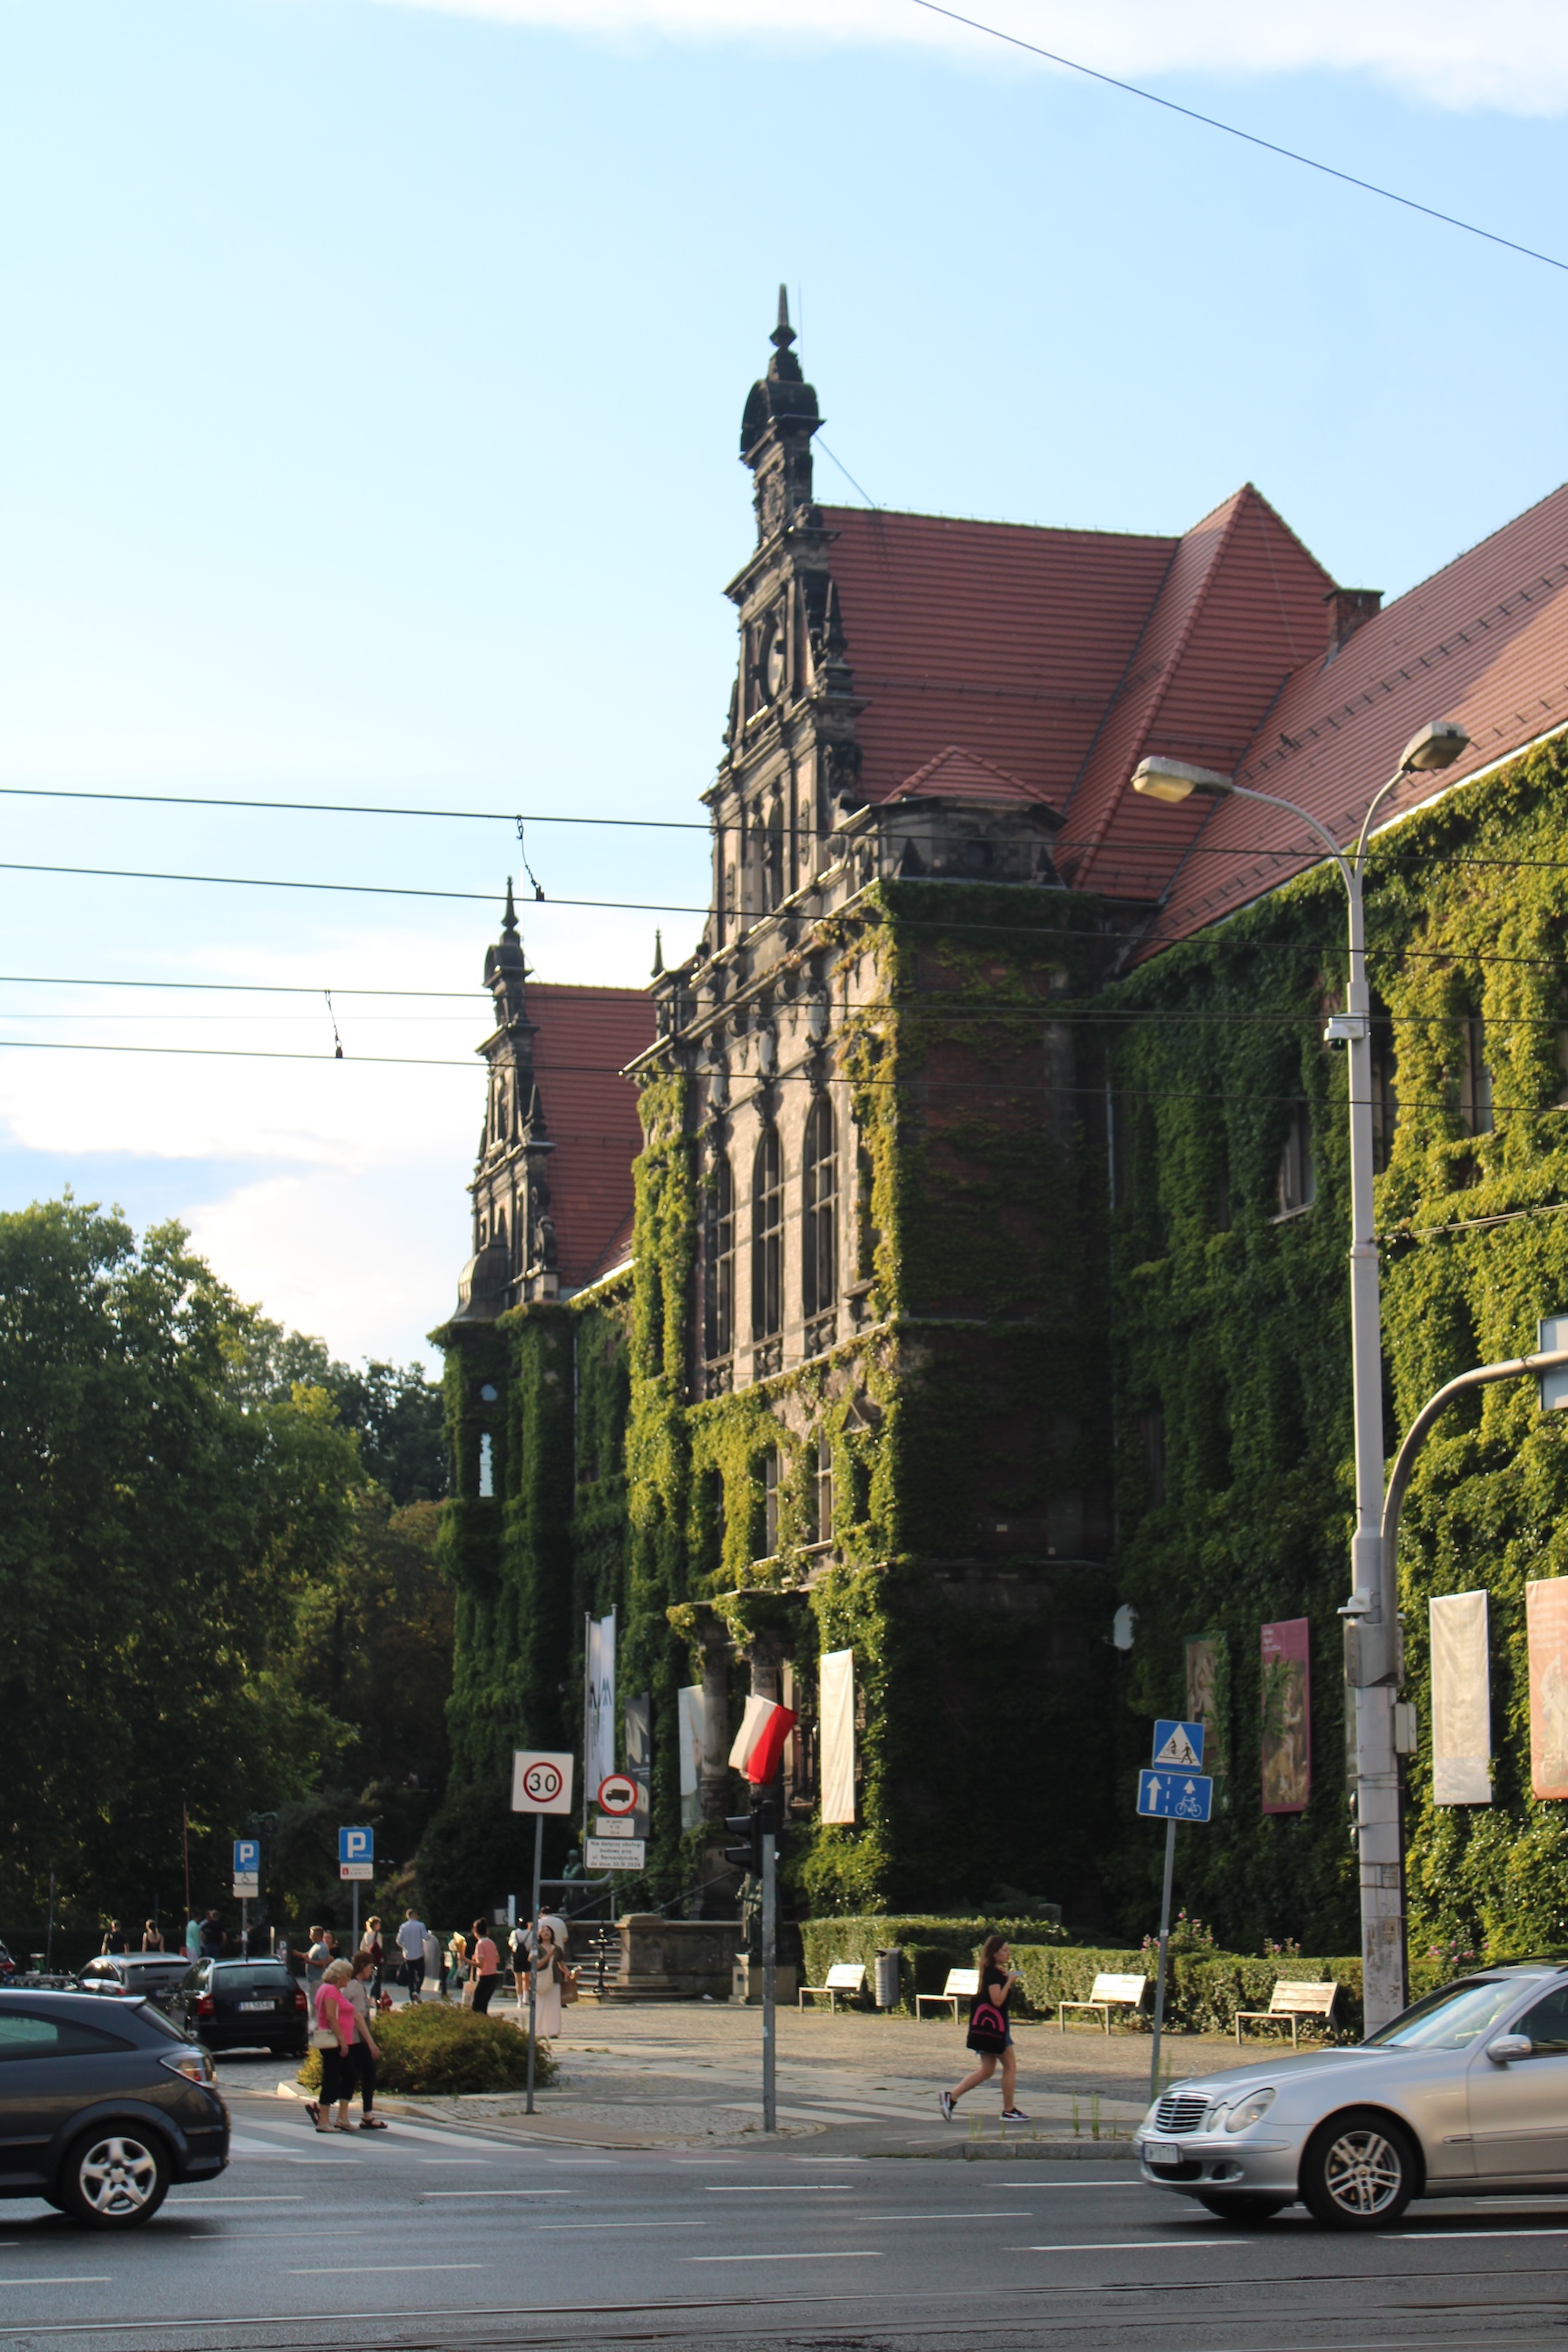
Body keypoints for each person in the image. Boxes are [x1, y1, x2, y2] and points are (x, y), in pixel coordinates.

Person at [941, 1933, 1029, 2124]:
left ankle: (951, 2097)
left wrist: (1006, 1979)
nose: (1008, 1953)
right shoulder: (992, 1973)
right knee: (1010, 2067)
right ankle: (1008, 2110)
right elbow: (997, 2000)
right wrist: (1010, 1982)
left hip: (988, 2028)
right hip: (996, 2028)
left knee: (987, 2070)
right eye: (1005, 1950)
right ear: (994, 1953)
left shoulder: (992, 1971)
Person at [307, 1959, 357, 2134]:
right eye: (348, 1976)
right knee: (332, 2078)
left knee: (349, 2075)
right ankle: (324, 2119)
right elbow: (330, 2017)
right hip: (334, 2042)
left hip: (339, 2041)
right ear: (340, 1976)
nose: (349, 1980)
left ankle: (341, 2117)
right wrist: (342, 2041)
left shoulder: (329, 1989)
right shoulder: (329, 1990)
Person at [344, 1952, 388, 2129]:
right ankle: (336, 2111)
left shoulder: (353, 1985)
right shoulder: (356, 1987)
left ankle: (366, 2114)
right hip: (358, 2038)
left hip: (353, 2038)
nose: (372, 1970)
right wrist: (371, 2043)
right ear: (363, 1966)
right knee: (356, 2076)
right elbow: (358, 2017)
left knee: (363, 2074)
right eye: (371, 1966)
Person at [530, 1921, 567, 2041]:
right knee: (541, 2004)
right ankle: (538, 2029)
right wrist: (548, 1955)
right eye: (543, 1931)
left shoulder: (557, 1949)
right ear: (539, 1935)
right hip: (542, 1978)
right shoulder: (537, 1948)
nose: (546, 1933)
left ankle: (553, 2030)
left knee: (554, 2006)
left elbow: (561, 1964)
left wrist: (568, 1973)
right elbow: (537, 1965)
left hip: (555, 1978)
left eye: (548, 1931)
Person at [469, 1919, 501, 2015]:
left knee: (476, 2006)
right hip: (493, 1976)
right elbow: (497, 1959)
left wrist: (465, 1960)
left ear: (475, 1931)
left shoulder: (480, 1944)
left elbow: (481, 1964)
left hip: (484, 1977)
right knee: (483, 2005)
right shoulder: (491, 1943)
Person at [395, 1909, 427, 2001]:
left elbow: (398, 1941)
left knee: (411, 1976)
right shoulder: (420, 1925)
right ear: (415, 1915)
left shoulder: (403, 1926)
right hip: (419, 1953)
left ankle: (411, 1994)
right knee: (421, 1974)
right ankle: (417, 1990)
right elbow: (426, 1937)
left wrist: (405, 1946)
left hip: (408, 1955)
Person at [360, 1915, 384, 1998]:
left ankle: (374, 1996)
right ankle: (373, 1995)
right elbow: (379, 1947)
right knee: (377, 1978)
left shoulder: (366, 1934)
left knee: (374, 1976)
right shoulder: (378, 1935)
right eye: (378, 1924)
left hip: (369, 1959)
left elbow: (362, 1947)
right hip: (377, 1959)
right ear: (375, 1925)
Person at [446, 1927, 469, 2000]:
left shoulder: (454, 1942)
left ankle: (453, 1981)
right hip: (459, 1956)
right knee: (458, 1969)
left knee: (457, 1969)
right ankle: (455, 1981)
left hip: (458, 1956)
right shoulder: (458, 1942)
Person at [422, 1923, 443, 1999]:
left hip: (427, 1959)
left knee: (428, 1972)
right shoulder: (434, 1939)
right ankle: (433, 1986)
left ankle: (426, 1985)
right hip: (434, 1960)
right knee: (433, 1972)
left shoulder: (425, 1940)